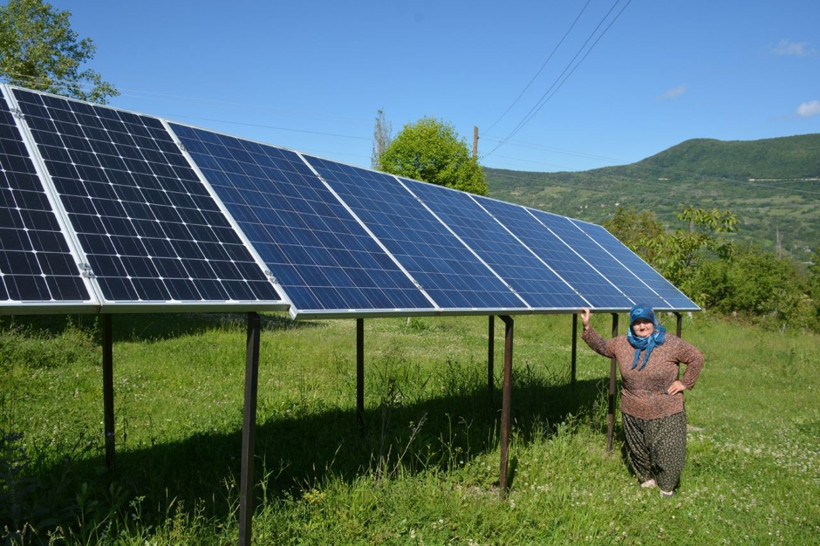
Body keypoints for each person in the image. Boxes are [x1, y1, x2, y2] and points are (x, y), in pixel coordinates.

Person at [579, 304, 703, 497]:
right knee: (638, 451)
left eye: (646, 321)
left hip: (666, 408)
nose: (642, 326)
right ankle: (647, 480)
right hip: (632, 407)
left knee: (668, 452)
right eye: (637, 323)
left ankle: (666, 488)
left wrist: (685, 383)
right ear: (632, 324)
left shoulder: (670, 343)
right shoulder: (622, 343)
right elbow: (602, 346)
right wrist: (587, 327)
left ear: (653, 322)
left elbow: (696, 357)